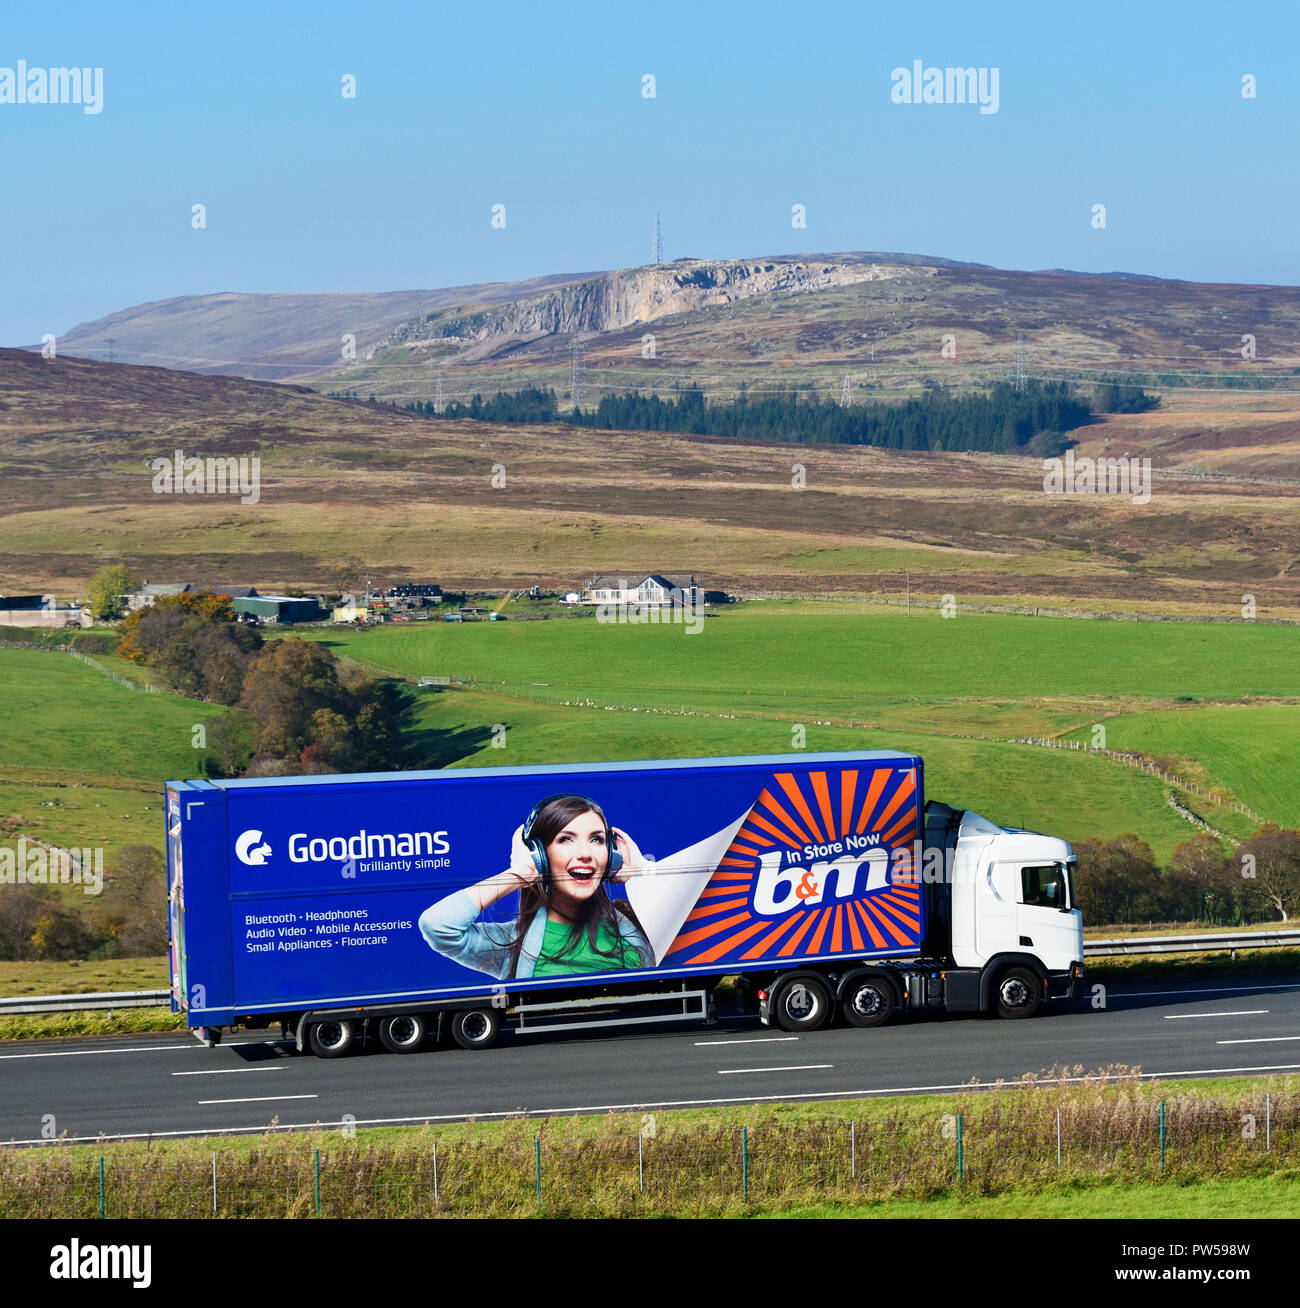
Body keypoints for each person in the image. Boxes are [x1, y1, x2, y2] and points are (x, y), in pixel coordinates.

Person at [419, 793, 653, 980]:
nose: (585, 854)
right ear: (539, 854)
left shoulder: (638, 917)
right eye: (566, 839)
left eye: (596, 840)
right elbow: (437, 925)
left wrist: (643, 874)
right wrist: (520, 874)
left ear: (610, 854)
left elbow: (689, 932)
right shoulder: (510, 943)